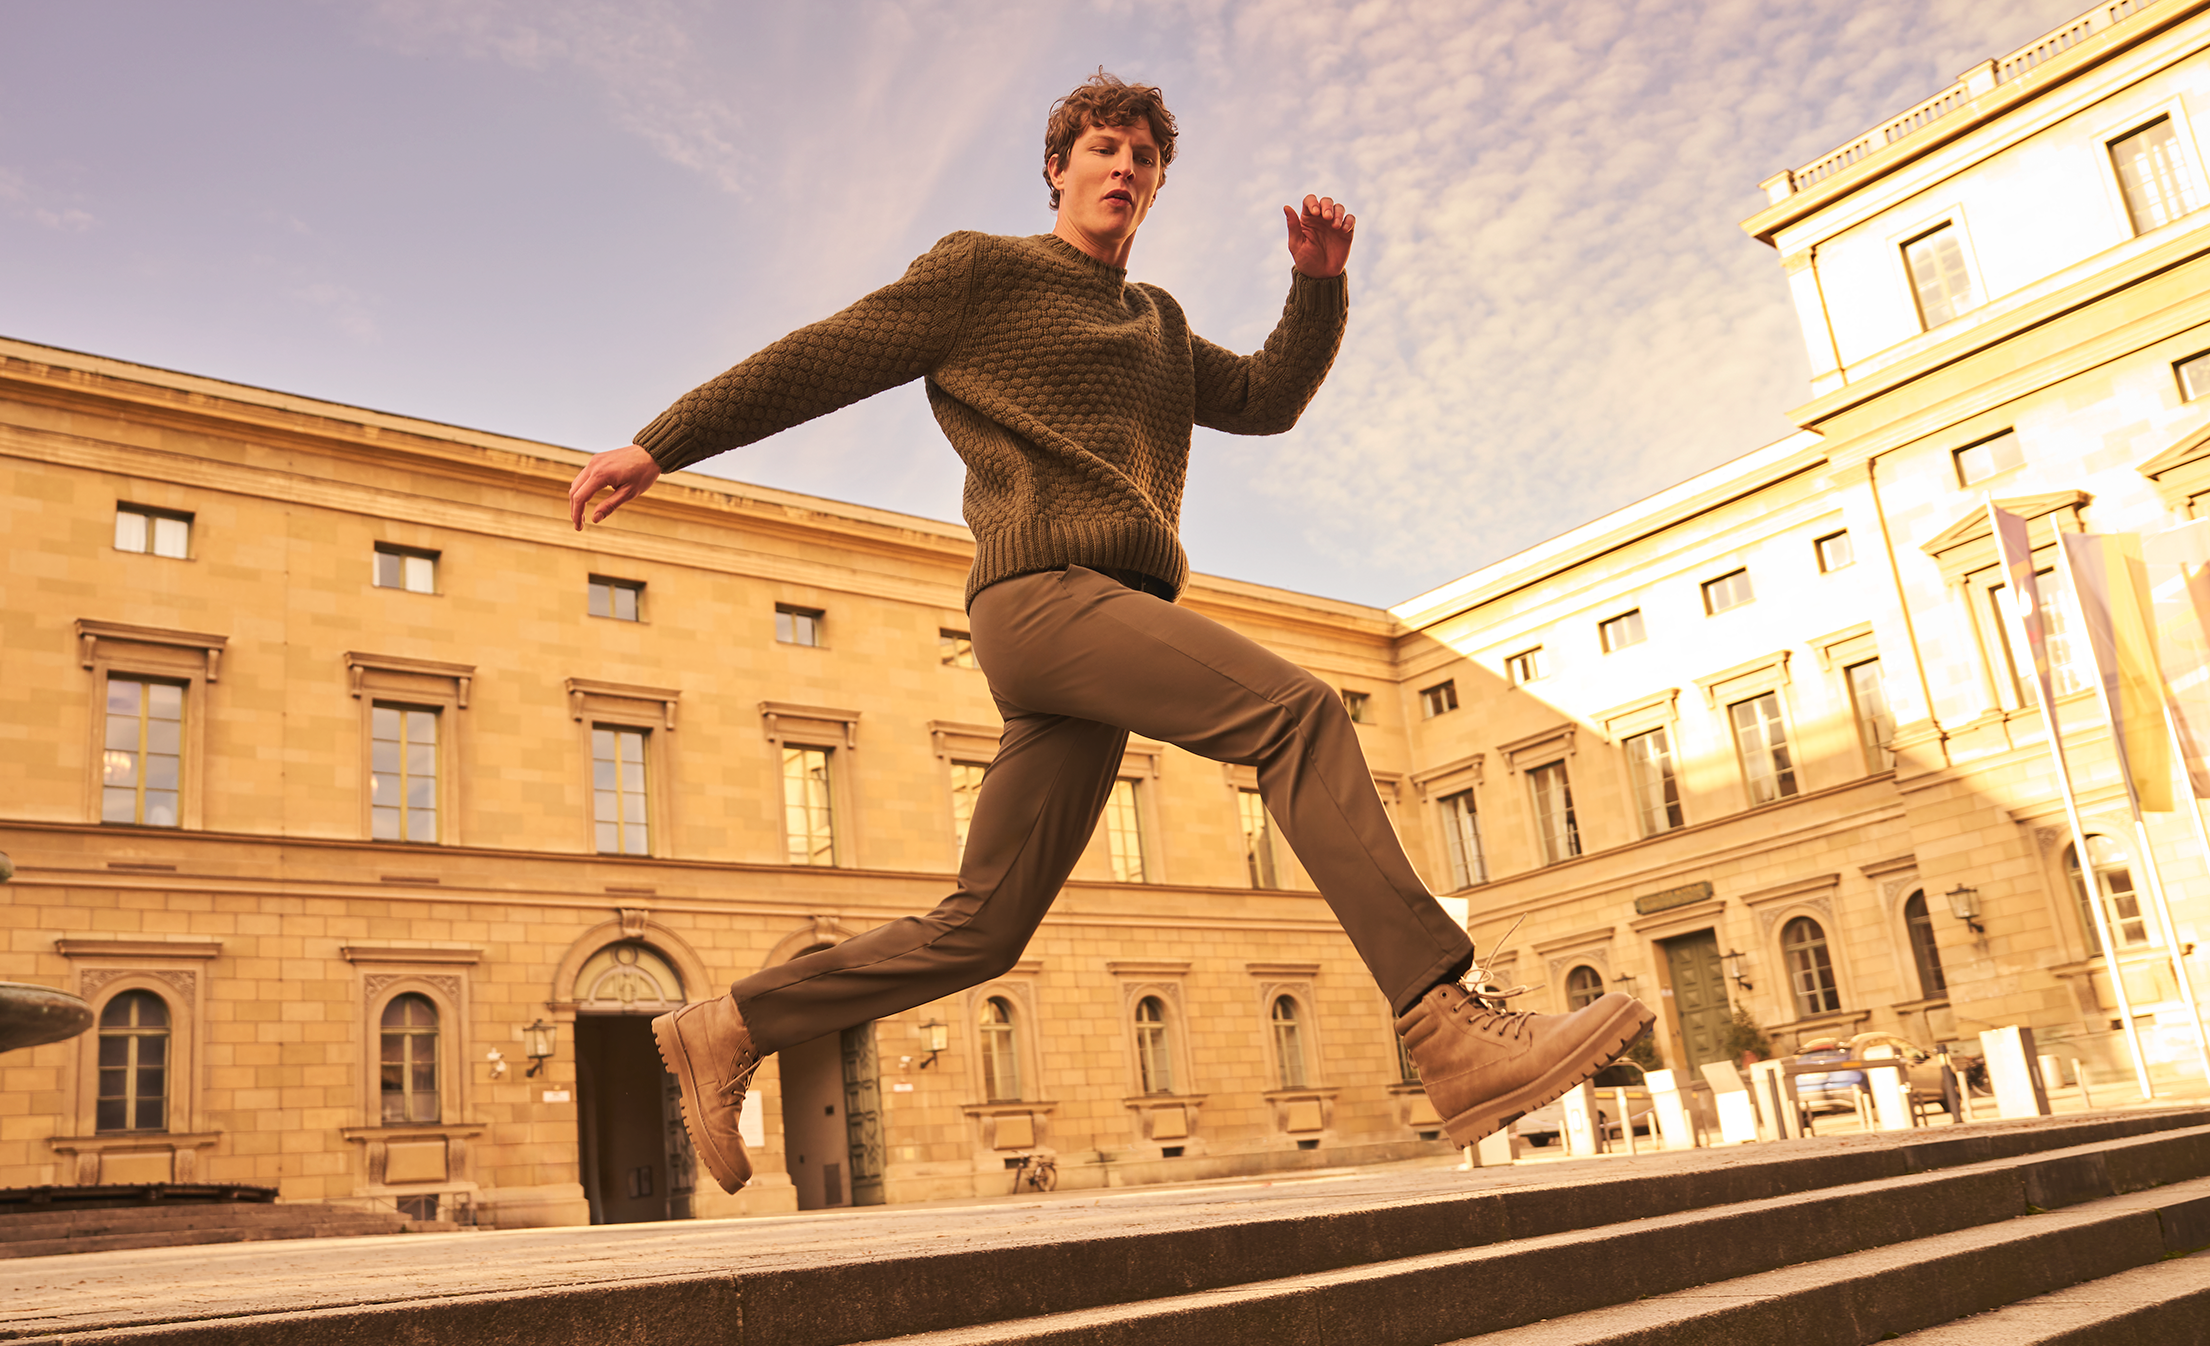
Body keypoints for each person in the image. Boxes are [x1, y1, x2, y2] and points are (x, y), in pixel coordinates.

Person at [567, 72, 1654, 1196]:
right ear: (1058, 168)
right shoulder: (981, 272)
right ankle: (1444, 1022)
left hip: (1104, 623)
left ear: (1156, 184)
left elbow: (1266, 398)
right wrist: (662, 443)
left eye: (1144, 156)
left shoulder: (1159, 324)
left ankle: (730, 1023)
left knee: (982, 928)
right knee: (1298, 714)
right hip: (1043, 597)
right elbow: (821, 356)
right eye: (1102, 147)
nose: (1124, 167)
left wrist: (1318, 284)